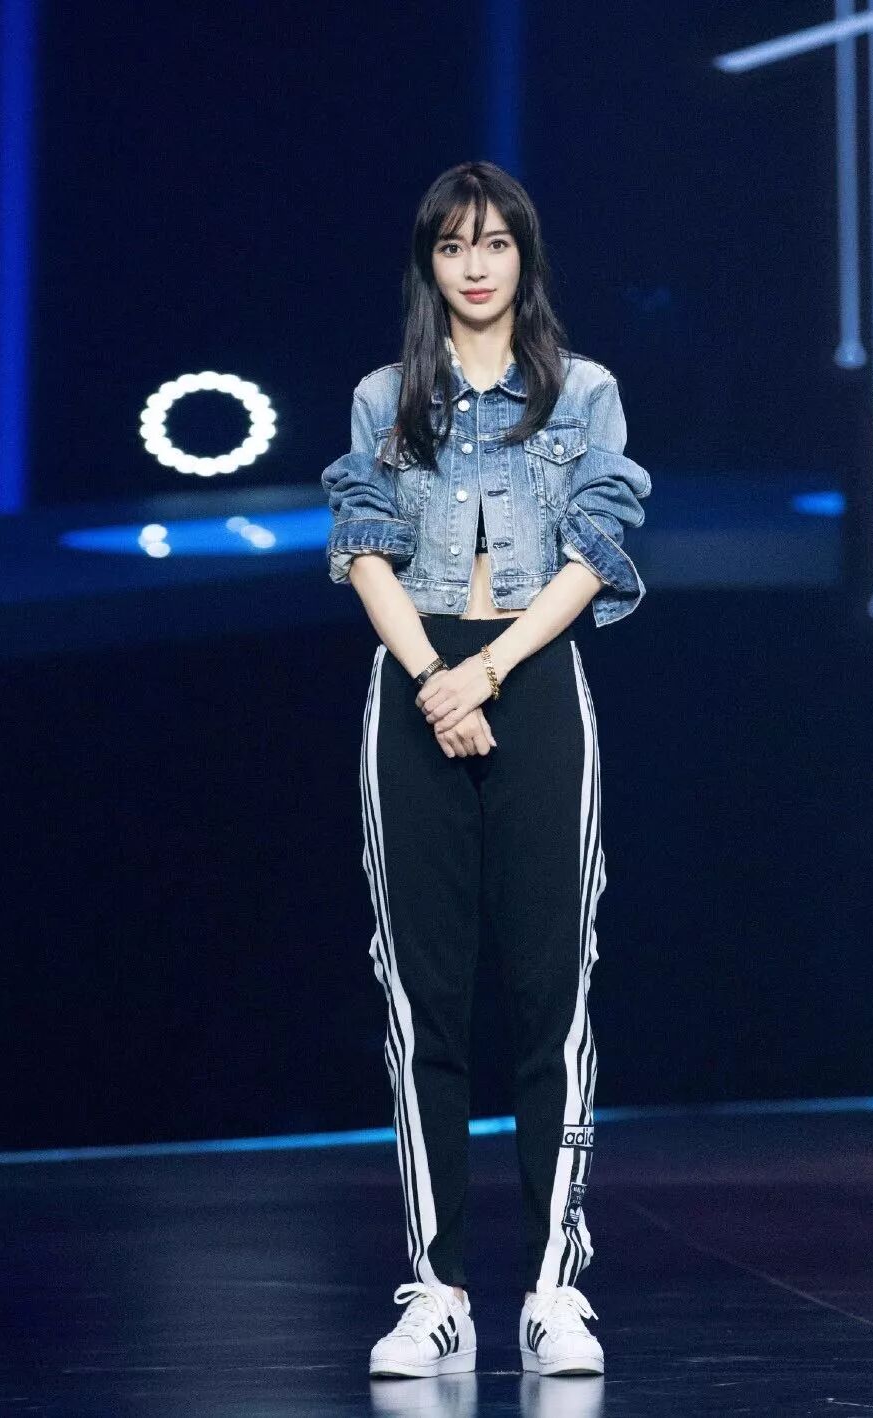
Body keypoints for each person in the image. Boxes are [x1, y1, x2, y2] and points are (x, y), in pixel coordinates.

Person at [320, 160, 652, 1380]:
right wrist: (432, 679)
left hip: (535, 677)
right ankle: (437, 1289)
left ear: (524, 256)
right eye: (453, 244)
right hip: (414, 687)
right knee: (422, 997)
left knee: (553, 989)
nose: (475, 264)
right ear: (429, 261)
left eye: (495, 241)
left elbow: (595, 550)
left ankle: (554, 1286)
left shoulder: (584, 391)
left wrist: (488, 671)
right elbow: (361, 547)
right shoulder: (383, 395)